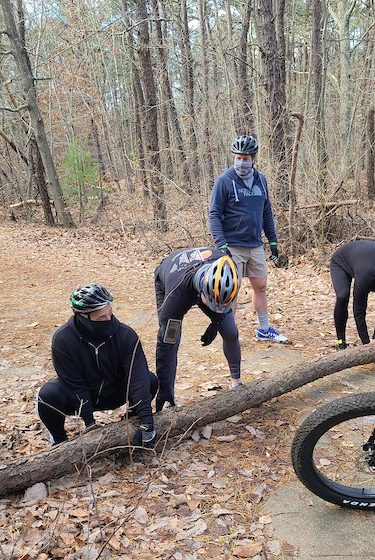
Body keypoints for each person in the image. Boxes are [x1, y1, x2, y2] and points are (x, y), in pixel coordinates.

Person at [37, 284, 158, 446]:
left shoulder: (126, 335)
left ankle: (131, 420)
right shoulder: (63, 339)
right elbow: (74, 384)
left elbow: (138, 379)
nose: (108, 320)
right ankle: (59, 442)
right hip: (80, 398)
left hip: (115, 392)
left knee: (150, 380)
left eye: (110, 313)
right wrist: (90, 424)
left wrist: (147, 423)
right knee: (47, 395)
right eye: (101, 318)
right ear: (84, 317)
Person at [208, 134, 288, 344]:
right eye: (238, 157)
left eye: (246, 158)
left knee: (260, 286)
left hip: (255, 244)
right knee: (232, 291)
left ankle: (263, 329)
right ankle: (229, 333)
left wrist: (272, 240)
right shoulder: (224, 181)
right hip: (232, 245)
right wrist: (221, 244)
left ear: (253, 158)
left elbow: (266, 211)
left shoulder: (261, 180)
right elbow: (214, 214)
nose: (241, 162)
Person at [154, 247, 242, 410]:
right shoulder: (175, 297)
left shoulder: (230, 271)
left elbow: (220, 303)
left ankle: (237, 383)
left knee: (230, 331)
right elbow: (165, 345)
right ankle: (167, 396)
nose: (217, 309)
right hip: (172, 278)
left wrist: (216, 323)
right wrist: (163, 392)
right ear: (201, 292)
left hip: (207, 281)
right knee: (170, 339)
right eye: (212, 304)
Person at [330, 240, 375, 349]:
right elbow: (358, 311)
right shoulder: (365, 276)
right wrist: (366, 343)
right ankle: (341, 341)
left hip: (363, 259)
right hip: (341, 261)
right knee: (342, 296)